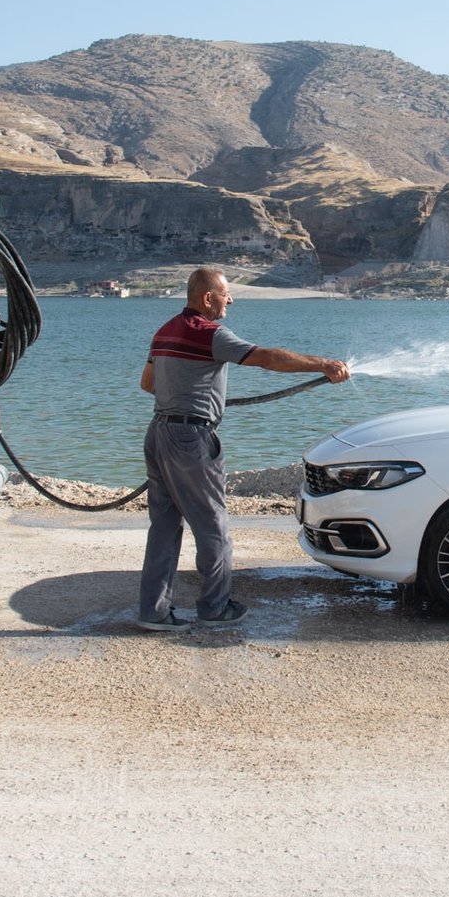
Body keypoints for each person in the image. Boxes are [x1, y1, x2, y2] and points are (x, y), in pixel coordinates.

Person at [136, 266, 348, 631]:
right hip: (191, 438)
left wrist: (188, 393)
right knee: (213, 525)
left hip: (158, 434)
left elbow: (148, 384)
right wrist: (324, 364)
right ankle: (215, 608)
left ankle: (153, 612)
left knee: (164, 525)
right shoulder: (209, 333)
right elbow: (266, 358)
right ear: (207, 298)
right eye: (225, 294)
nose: (230, 299)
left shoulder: (163, 331)